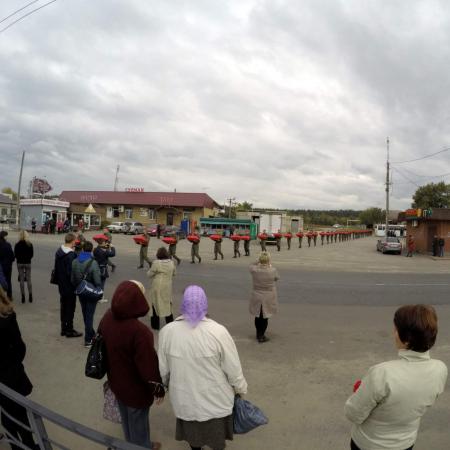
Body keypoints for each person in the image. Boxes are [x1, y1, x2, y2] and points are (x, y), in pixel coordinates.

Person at [345, 304, 447, 450]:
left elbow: (353, 414)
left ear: (406, 340)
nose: (394, 333)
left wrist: (360, 391)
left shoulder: (382, 373)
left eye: (396, 330)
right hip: (405, 443)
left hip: (369, 444)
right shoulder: (440, 369)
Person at [158, 285, 248, 450]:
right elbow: (233, 368)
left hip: (184, 399)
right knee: (217, 438)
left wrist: (162, 387)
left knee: (193, 436)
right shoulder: (218, 332)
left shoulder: (167, 332)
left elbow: (163, 369)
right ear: (204, 303)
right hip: (216, 399)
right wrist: (240, 389)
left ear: (183, 304)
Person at [99, 280, 165, 450]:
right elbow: (148, 367)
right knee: (138, 423)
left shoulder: (107, 317)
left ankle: (130, 444)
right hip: (135, 390)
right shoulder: (140, 332)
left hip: (116, 382)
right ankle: (141, 446)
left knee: (127, 421)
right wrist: (158, 389)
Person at [0, 289, 39, 450]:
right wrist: (13, 364)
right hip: (10, 374)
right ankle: (28, 445)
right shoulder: (7, 318)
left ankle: (15, 446)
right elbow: (19, 347)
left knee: (5, 413)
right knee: (20, 414)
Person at [71, 241, 102, 348]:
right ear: (92, 250)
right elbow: (98, 281)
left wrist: (79, 285)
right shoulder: (93, 263)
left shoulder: (75, 261)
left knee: (85, 314)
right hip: (91, 291)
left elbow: (72, 279)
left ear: (83, 249)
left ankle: (91, 334)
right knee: (89, 316)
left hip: (80, 291)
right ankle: (88, 340)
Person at [53, 232, 82, 338]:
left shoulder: (59, 251)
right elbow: (72, 273)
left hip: (61, 284)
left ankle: (63, 329)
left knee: (63, 306)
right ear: (73, 241)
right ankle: (69, 330)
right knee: (70, 307)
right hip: (69, 286)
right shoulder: (71, 255)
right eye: (75, 240)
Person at [249, 252, 279, 343]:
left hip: (257, 295)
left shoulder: (254, 270)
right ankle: (262, 335)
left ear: (260, 260)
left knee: (258, 316)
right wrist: (269, 265)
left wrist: (258, 260)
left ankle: (258, 334)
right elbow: (277, 278)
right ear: (268, 261)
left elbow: (250, 264)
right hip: (268, 296)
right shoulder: (272, 270)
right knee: (265, 317)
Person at [148, 247, 176, 331]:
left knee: (155, 304)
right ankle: (170, 323)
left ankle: (155, 325)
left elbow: (149, 274)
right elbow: (174, 273)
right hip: (167, 286)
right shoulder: (171, 263)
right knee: (167, 303)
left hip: (157, 286)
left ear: (158, 254)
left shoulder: (156, 263)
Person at [14, 231, 34, 304]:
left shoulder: (17, 244)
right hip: (28, 263)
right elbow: (32, 255)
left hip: (19, 263)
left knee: (21, 279)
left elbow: (15, 255)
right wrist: (27, 258)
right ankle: (30, 295)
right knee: (29, 279)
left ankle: (23, 296)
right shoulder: (30, 244)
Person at [93, 238, 116, 303]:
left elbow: (103, 249)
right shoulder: (104, 252)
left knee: (97, 283)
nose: (105, 243)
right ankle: (100, 298)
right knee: (102, 284)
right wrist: (112, 247)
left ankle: (95, 295)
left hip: (96, 268)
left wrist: (107, 247)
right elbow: (113, 254)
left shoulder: (96, 249)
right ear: (102, 243)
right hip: (103, 269)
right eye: (104, 242)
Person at [0, 231, 15, 299]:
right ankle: (9, 296)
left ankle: (2, 297)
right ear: (4, 237)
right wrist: (11, 261)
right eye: (7, 236)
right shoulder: (8, 245)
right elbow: (12, 256)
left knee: (1, 281)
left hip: (1, 266)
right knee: (8, 281)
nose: (7, 237)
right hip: (8, 266)